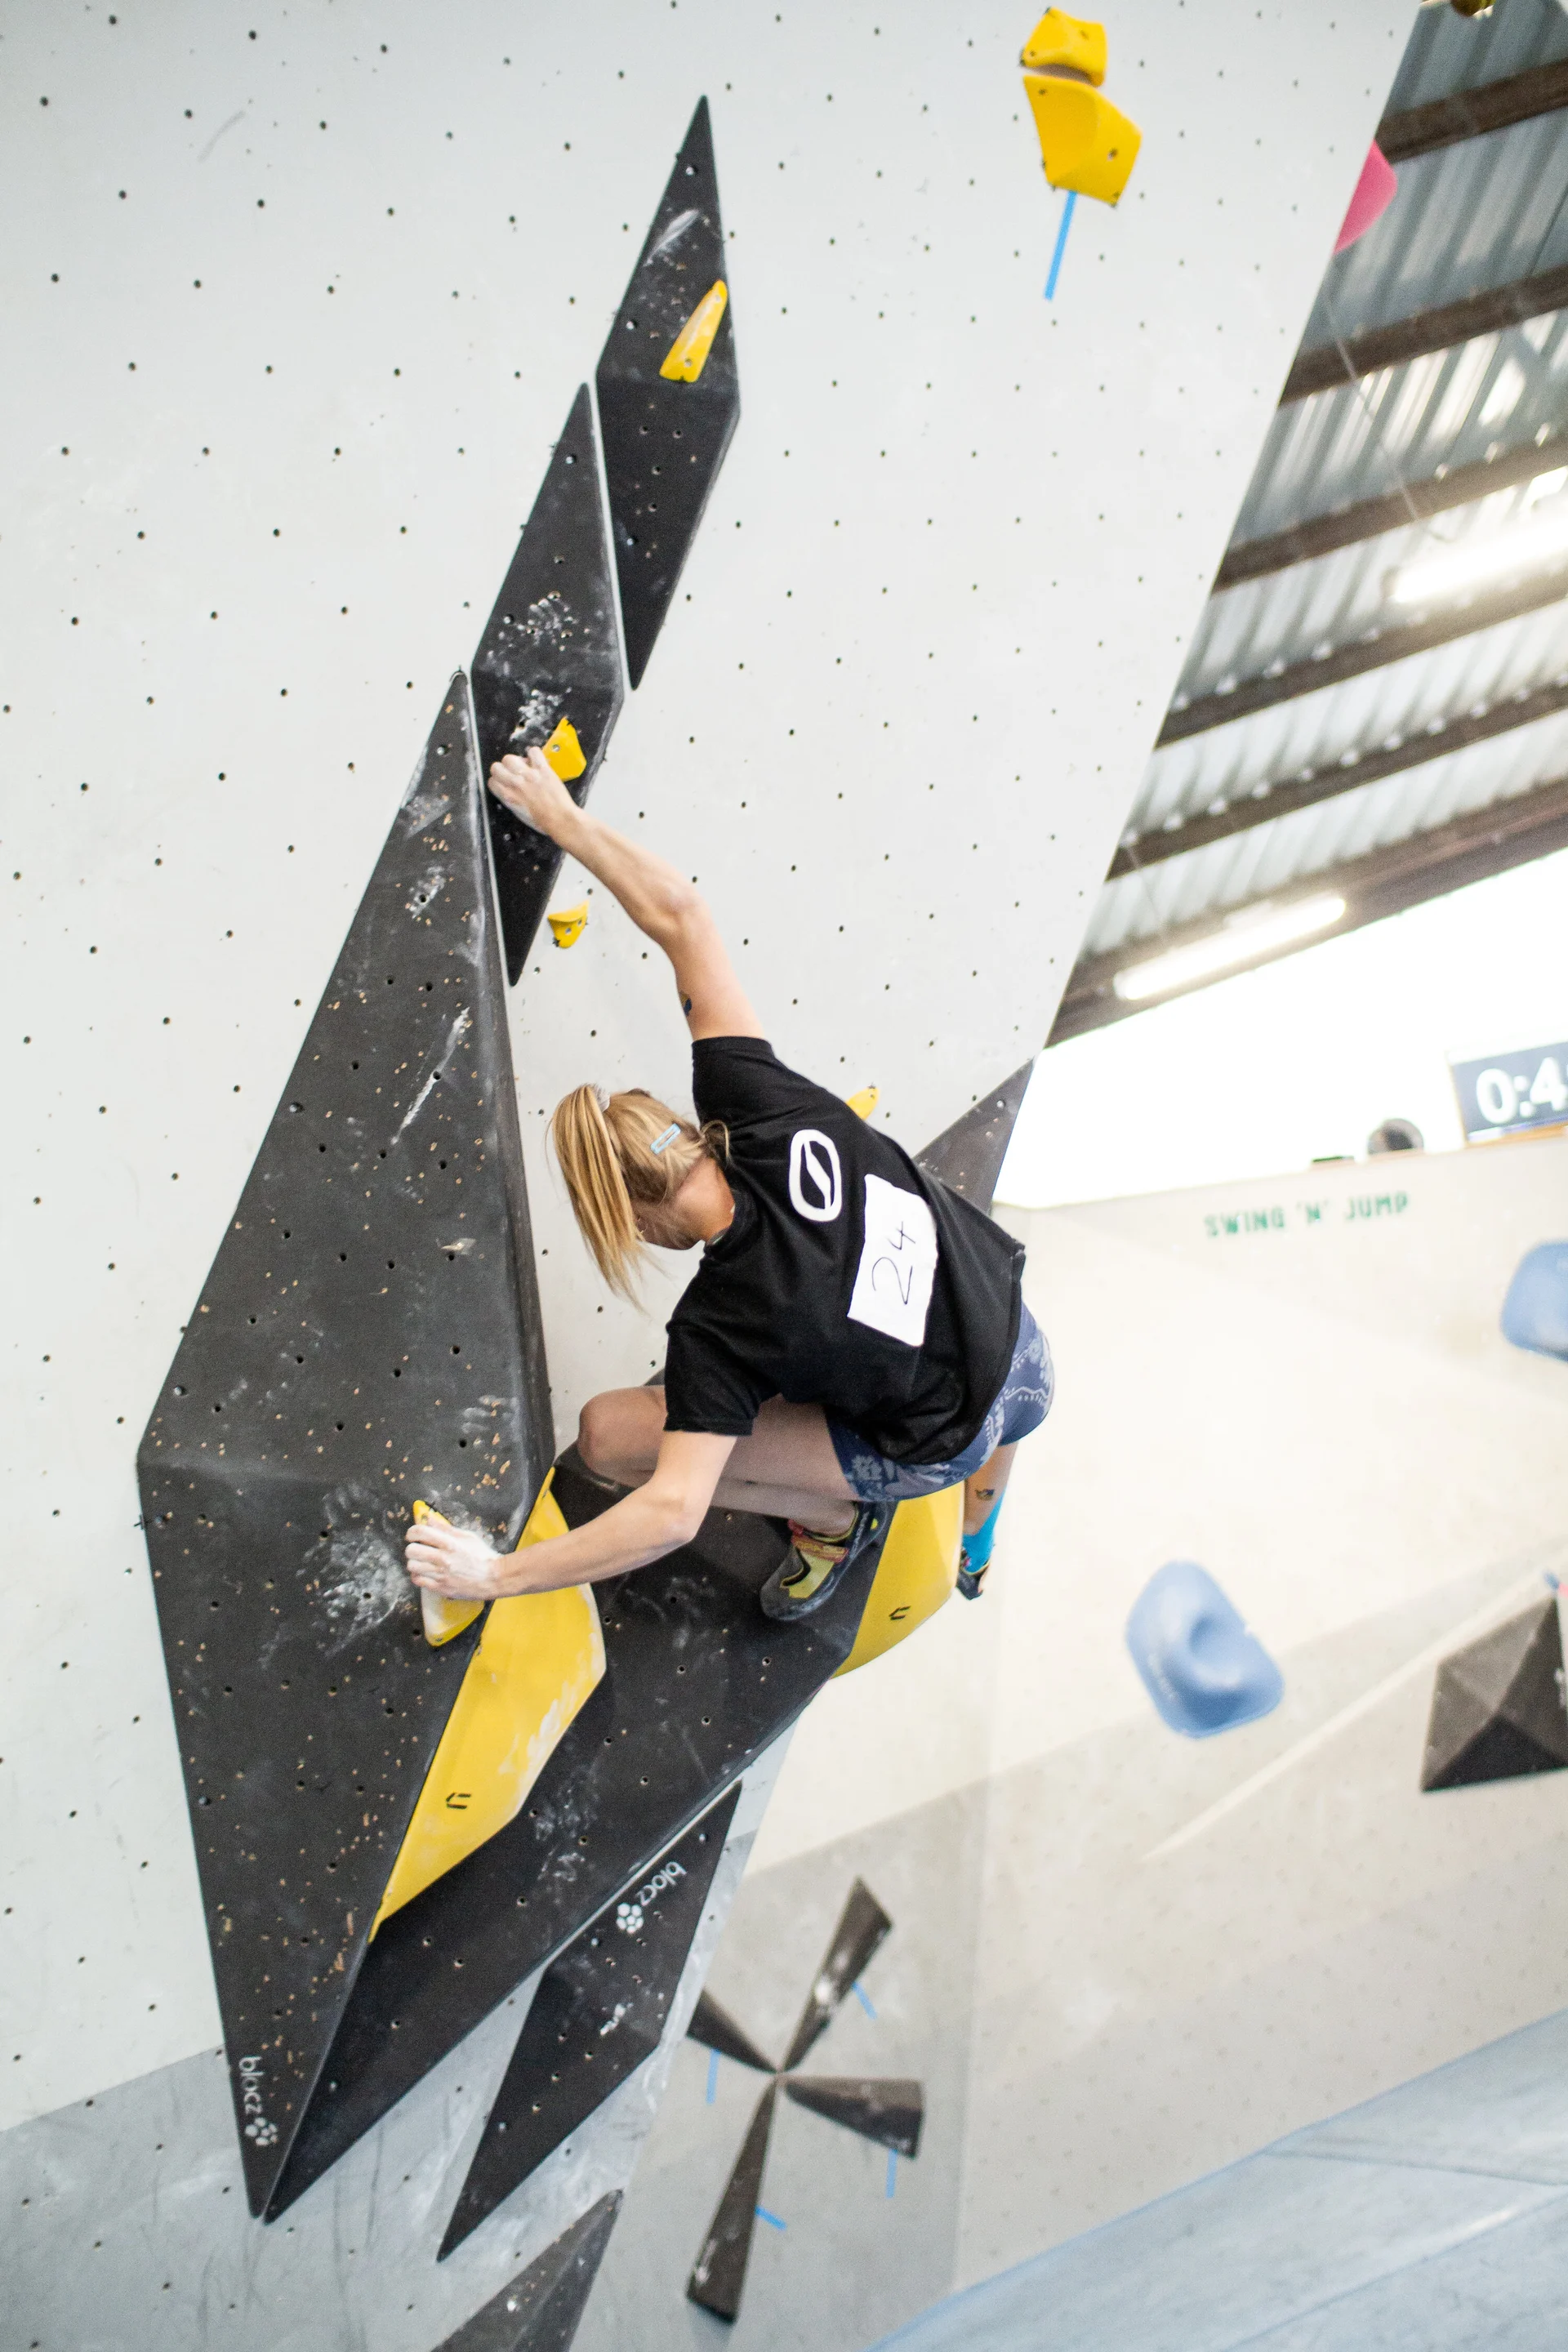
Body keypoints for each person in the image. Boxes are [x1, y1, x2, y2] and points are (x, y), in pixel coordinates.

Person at [406, 746, 1052, 1624]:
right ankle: (981, 1530)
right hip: (1021, 1343)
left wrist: (494, 1576)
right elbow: (683, 917)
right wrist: (562, 818)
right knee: (964, 1391)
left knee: (611, 1435)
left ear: (633, 1216)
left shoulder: (722, 1329)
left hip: (937, 1440)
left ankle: (833, 1523)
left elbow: (671, 1513)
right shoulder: (758, 1101)